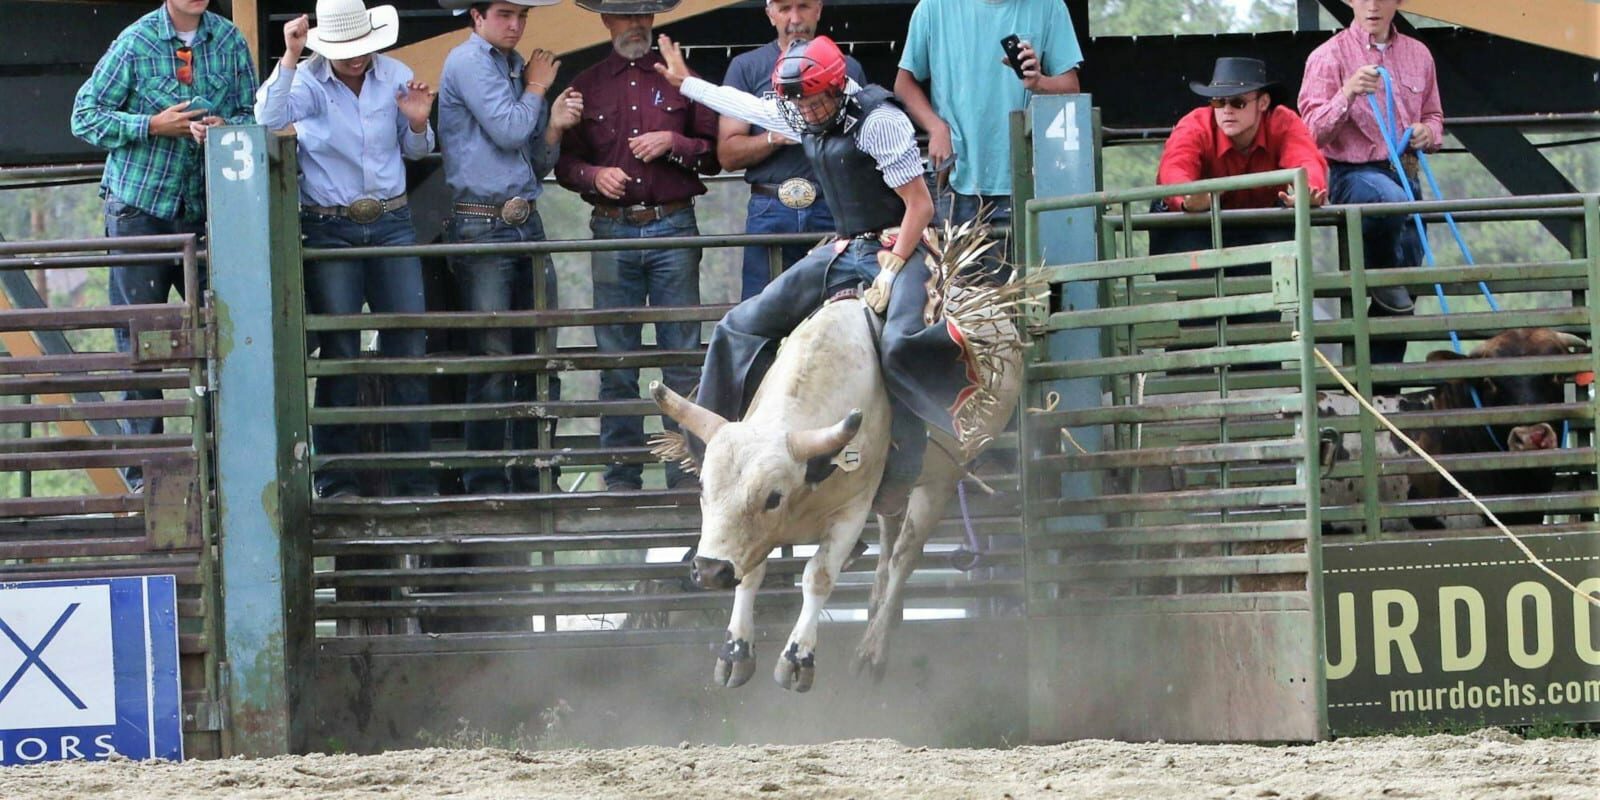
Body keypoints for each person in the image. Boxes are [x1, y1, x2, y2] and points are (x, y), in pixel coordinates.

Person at [655, 34, 986, 516]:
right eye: (798, 104)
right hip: (843, 245)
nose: (804, 114)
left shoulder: (881, 121)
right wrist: (689, 85)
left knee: (900, 345)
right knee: (738, 324)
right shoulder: (801, 108)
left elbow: (921, 204)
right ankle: (716, 449)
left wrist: (894, 263)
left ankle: (908, 466)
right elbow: (750, 106)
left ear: (836, 88)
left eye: (812, 103)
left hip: (902, 241)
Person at [70, 0, 257, 491]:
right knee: (140, 341)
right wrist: (152, 124)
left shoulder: (231, 40)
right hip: (140, 208)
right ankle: (144, 475)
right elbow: (84, 117)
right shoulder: (135, 42)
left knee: (224, 336)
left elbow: (245, 111)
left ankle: (225, 470)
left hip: (207, 208)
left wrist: (222, 128)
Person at [255, 0, 438, 498]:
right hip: (330, 223)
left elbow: (417, 150)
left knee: (407, 345)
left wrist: (419, 123)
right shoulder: (309, 80)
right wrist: (290, 58)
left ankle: (412, 477)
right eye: (346, 50)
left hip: (391, 219)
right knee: (338, 349)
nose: (356, 58)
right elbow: (267, 119)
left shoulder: (395, 73)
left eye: (362, 47)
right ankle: (335, 479)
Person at [556, 0, 718, 493]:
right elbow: (563, 164)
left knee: (683, 355)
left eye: (643, 16)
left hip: (673, 225)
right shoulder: (584, 83)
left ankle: (685, 473)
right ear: (606, 22)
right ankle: (621, 475)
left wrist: (674, 140)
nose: (636, 25)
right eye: (625, 16)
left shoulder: (683, 78)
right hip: (611, 228)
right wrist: (592, 175)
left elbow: (714, 154)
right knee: (616, 358)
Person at [437, 0, 582, 494]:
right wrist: (539, 87)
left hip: (520, 219)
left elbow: (531, 159)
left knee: (539, 352)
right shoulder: (469, 60)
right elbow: (510, 130)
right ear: (476, 17)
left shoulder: (511, 64)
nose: (516, 24)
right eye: (503, 14)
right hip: (483, 223)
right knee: (496, 356)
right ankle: (485, 478)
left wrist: (555, 127)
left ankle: (535, 470)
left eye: (521, 15)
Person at [1300, 0, 1442, 364]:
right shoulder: (1328, 56)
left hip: (1406, 171)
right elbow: (1311, 133)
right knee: (1389, 205)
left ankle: (1379, 375)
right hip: (1353, 174)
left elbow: (1434, 115)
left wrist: (1429, 132)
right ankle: (1384, 281)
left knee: (1407, 285)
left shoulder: (1420, 55)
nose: (1373, 6)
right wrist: (1346, 93)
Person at [894, 0, 1082, 232]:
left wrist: (1039, 82)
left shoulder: (1050, 6)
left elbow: (1071, 88)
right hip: (952, 174)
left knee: (1022, 267)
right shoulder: (933, 7)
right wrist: (936, 128)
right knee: (950, 268)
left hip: (1023, 177)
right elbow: (903, 85)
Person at [720, 0, 865, 299]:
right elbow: (728, 155)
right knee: (762, 316)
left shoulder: (848, 68)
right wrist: (775, 136)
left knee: (836, 314)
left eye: (804, 6)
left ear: (819, 9)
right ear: (770, 13)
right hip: (770, 207)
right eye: (785, 8)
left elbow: (866, 147)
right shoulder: (746, 67)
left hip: (834, 204)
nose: (795, 19)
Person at [1152, 57, 1328, 255]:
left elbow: (1307, 161)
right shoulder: (1194, 125)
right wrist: (1187, 199)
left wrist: (1308, 192)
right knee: (1189, 270)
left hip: (1259, 222)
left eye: (1238, 103)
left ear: (1263, 103)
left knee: (1277, 260)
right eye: (1218, 102)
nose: (1227, 110)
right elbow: (1174, 168)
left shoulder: (1283, 122)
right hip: (1197, 222)